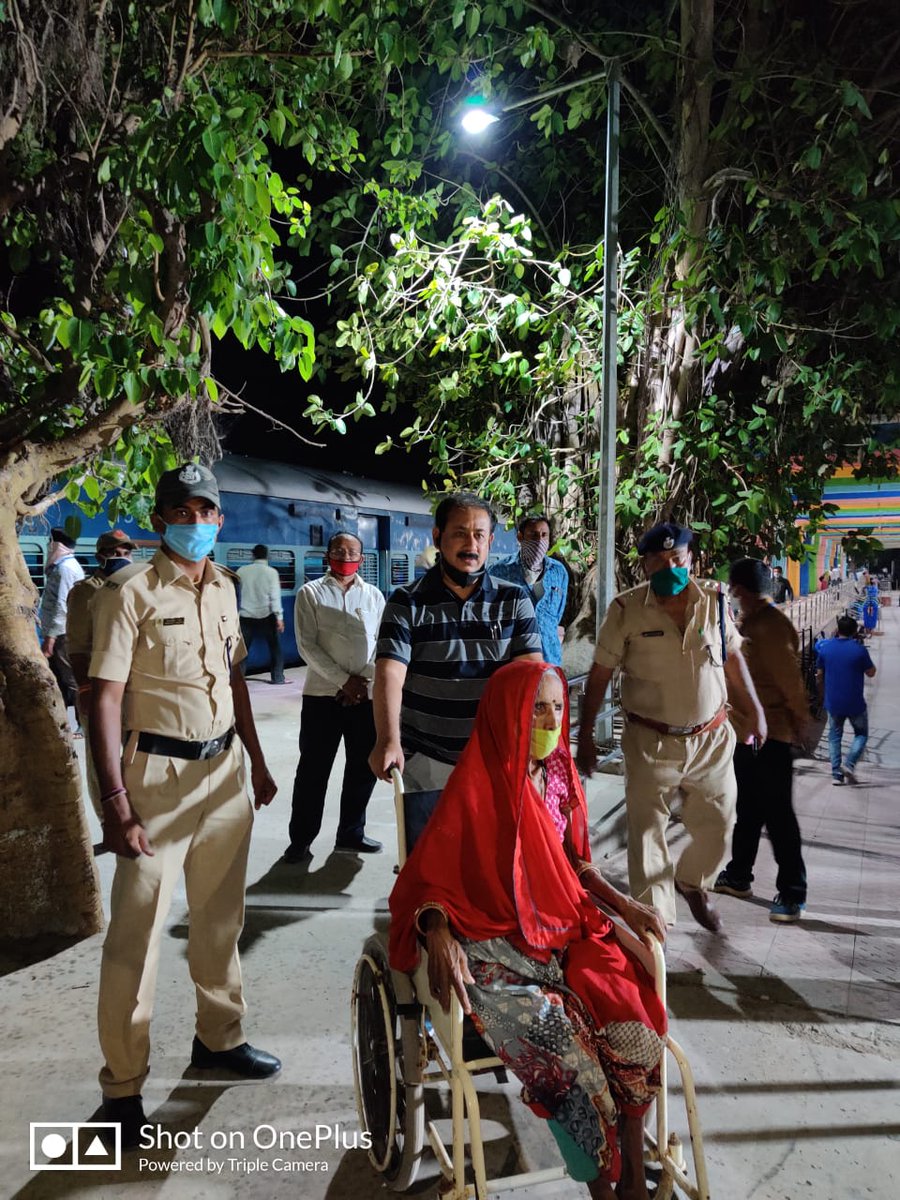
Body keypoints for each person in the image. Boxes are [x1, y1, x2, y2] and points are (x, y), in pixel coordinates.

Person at [390, 660, 667, 1200]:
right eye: (537, 707)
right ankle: (602, 1188)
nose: (550, 718)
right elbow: (428, 880)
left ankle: (633, 1160)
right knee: (563, 1051)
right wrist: (439, 931)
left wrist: (625, 905)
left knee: (630, 1015)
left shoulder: (560, 776)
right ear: (507, 712)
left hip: (565, 927)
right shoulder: (478, 786)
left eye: (558, 707)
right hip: (496, 942)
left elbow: (578, 865)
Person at [88, 462, 280, 1148]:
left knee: (220, 922)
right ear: (159, 518)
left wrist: (255, 760)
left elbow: (232, 678)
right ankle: (121, 1092)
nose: (197, 522)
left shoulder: (225, 588)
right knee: (135, 937)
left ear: (220, 521)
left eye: (207, 511)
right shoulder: (128, 592)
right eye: (183, 510)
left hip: (224, 773)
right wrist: (115, 804)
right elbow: (104, 702)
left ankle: (219, 1038)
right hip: (154, 783)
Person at [576, 522, 766, 933]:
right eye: (659, 561)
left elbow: (732, 657)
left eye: (677, 558)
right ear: (644, 566)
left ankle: (693, 882)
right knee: (647, 839)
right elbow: (599, 675)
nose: (670, 567)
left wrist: (755, 710)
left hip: (711, 739)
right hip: (650, 741)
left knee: (720, 825)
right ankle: (654, 929)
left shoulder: (715, 601)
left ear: (690, 558)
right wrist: (587, 736)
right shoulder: (625, 611)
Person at [369, 491, 542, 837]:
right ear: (438, 537)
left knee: (490, 866)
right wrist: (388, 740)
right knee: (429, 867)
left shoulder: (514, 599)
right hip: (427, 762)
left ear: (491, 541)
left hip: (495, 759)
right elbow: (389, 674)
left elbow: (530, 678)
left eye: (479, 535)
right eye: (460, 533)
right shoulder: (407, 601)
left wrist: (534, 747)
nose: (471, 544)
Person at [713, 559, 812, 923]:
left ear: (745, 589)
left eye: (736, 588)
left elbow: (789, 682)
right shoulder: (748, 623)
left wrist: (801, 722)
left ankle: (792, 892)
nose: (734, 594)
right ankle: (739, 875)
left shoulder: (770, 626)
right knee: (749, 811)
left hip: (771, 736)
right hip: (746, 736)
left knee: (778, 815)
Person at [284, 531, 385, 862]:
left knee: (362, 769)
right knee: (313, 771)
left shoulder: (374, 597)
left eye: (352, 552)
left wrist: (361, 682)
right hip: (321, 699)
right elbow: (306, 646)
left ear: (362, 558)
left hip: (364, 698)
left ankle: (351, 833)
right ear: (326, 556)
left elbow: (382, 645)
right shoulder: (310, 594)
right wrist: (344, 681)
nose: (345, 557)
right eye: (338, 551)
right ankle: (301, 840)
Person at [67, 530, 136, 820]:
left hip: (133, 687)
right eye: (114, 552)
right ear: (100, 556)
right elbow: (78, 647)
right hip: (98, 688)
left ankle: (135, 811)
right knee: (101, 759)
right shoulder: (86, 591)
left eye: (126, 552)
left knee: (134, 756)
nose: (121, 557)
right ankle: (109, 820)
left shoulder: (135, 586)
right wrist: (84, 689)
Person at [491, 513, 569, 665]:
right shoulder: (498, 571)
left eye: (544, 535)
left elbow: (557, 614)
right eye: (533, 535)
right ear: (520, 537)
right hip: (512, 660)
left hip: (549, 659)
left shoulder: (558, 571)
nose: (539, 541)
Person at [815, 615, 876, 785]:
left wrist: (822, 695)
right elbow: (871, 672)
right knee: (861, 734)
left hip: (833, 702)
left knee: (834, 737)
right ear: (854, 631)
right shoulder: (859, 650)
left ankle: (836, 775)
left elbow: (819, 676)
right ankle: (849, 764)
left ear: (838, 629)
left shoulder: (825, 649)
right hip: (855, 702)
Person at [39, 526, 85, 715]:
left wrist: (50, 637)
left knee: (71, 679)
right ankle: (61, 720)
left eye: (50, 543)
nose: (49, 547)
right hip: (58, 632)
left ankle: (82, 722)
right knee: (58, 679)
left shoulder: (65, 569)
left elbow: (62, 605)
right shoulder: (63, 566)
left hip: (62, 634)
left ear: (56, 544)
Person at [236, 544, 286, 684]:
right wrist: (279, 617)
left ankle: (238, 680)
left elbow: (237, 594)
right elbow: (275, 596)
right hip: (266, 615)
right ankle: (278, 678)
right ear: (267, 556)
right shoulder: (271, 572)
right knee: (275, 648)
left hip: (245, 616)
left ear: (253, 555)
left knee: (241, 651)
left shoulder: (241, 571)